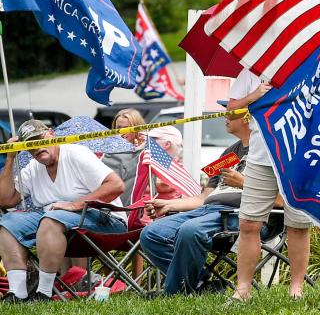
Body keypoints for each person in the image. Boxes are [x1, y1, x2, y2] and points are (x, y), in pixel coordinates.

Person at [0, 119, 127, 302]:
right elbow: (5, 200)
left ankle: (43, 293)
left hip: (105, 220)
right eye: (30, 144)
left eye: (40, 139)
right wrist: (11, 158)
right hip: (57, 222)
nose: (37, 147)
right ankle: (17, 293)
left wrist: (75, 204)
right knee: (8, 223)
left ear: (52, 134)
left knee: (51, 219)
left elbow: (116, 185)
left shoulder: (76, 153)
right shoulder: (33, 167)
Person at [139, 111, 251, 295]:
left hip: (239, 214)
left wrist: (243, 183)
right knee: (151, 234)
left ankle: (173, 294)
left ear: (248, 117)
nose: (225, 117)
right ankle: (200, 285)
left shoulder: (267, 151)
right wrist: (168, 205)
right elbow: (202, 198)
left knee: (190, 230)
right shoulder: (230, 152)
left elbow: (279, 198)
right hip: (208, 210)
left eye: (231, 113)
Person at [225, 69, 312, 302]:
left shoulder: (305, 61)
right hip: (259, 159)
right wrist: (253, 96)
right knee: (248, 223)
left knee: (298, 225)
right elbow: (231, 111)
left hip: (297, 157)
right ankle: (242, 290)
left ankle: (296, 289)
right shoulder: (249, 71)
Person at [103, 108, 145, 204]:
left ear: (137, 128)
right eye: (118, 128)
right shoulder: (108, 151)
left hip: (135, 205)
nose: (121, 132)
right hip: (112, 203)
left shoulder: (146, 151)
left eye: (126, 128)